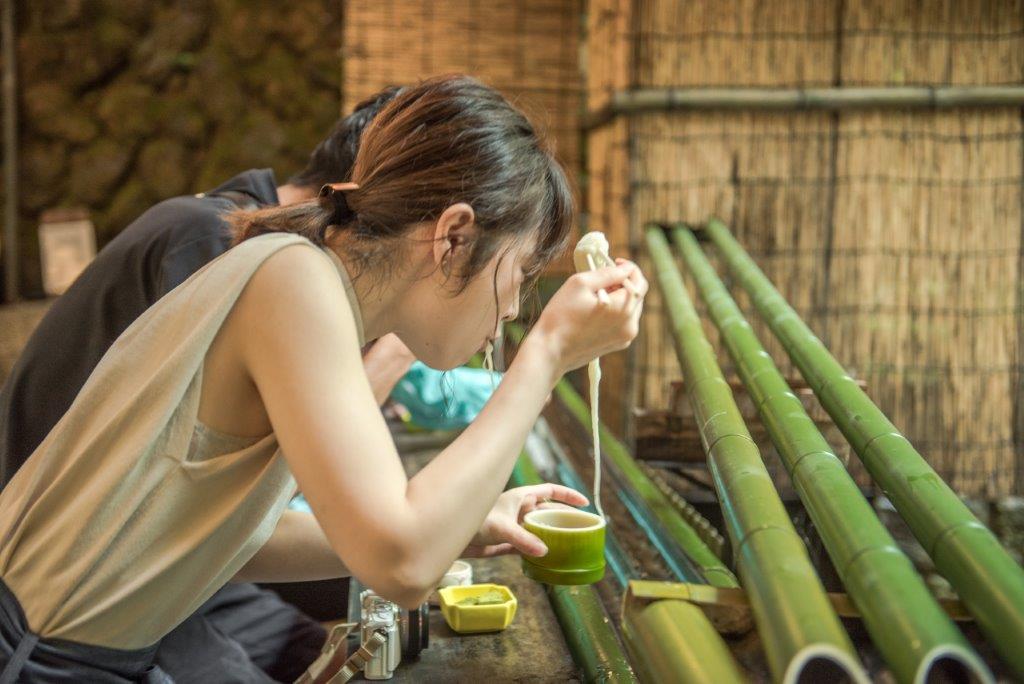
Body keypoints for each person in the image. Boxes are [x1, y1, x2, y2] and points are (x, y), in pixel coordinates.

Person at [0, 75, 647, 681]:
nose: (512, 310)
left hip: (88, 648)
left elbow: (237, 539)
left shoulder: (305, 282)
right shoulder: (294, 281)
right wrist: (548, 352)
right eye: (522, 274)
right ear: (453, 236)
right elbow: (404, 563)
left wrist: (470, 524)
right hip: (36, 655)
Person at [0, 87, 412, 682]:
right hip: (93, 565)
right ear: (366, 199)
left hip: (167, 541)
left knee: (317, 643)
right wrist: (392, 357)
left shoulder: (246, 235)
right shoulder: (219, 242)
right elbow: (286, 458)